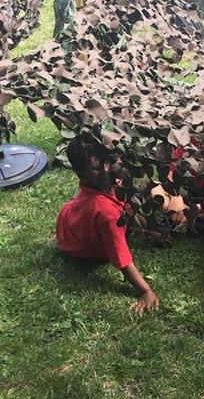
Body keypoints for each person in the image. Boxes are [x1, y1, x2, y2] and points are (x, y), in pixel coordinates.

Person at [56, 133, 159, 315]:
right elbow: (120, 257)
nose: (108, 168)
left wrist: (148, 228)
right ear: (84, 176)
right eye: (98, 167)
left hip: (69, 220)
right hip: (78, 245)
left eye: (110, 160)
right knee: (111, 219)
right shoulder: (106, 213)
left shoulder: (106, 183)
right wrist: (146, 291)